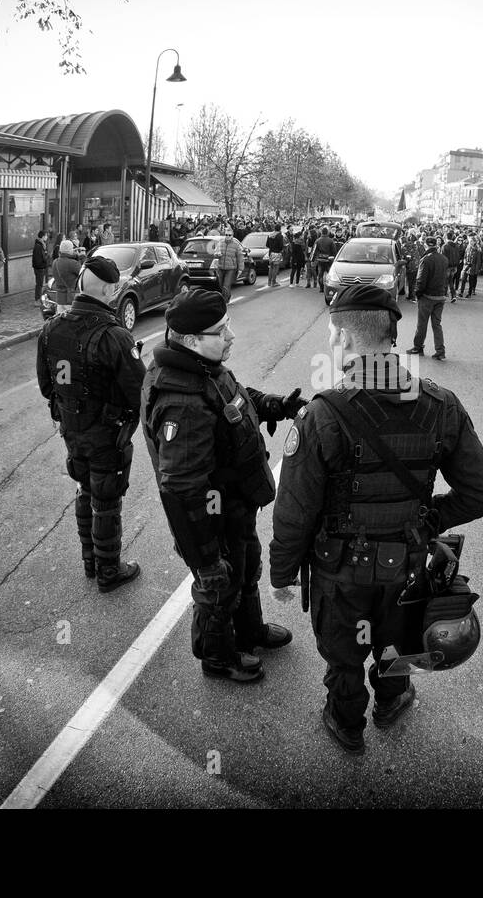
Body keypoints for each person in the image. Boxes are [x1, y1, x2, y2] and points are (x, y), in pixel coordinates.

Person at [269, 285, 483, 753]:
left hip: (339, 572)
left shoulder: (322, 415)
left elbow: (294, 511)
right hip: (408, 564)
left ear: (347, 339)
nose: (332, 345)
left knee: (342, 653)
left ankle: (346, 720)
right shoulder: (441, 404)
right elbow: (482, 493)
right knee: (397, 645)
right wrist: (430, 520)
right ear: (391, 336)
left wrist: (281, 574)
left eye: (334, 336)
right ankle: (392, 701)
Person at [142, 288, 305, 682]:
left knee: (247, 568)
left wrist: (272, 404)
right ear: (192, 340)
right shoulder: (180, 398)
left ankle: (249, 632)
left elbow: (232, 397)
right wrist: (205, 558)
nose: (230, 336)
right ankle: (218, 657)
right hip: (210, 518)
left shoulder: (200, 368)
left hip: (235, 504)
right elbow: (180, 488)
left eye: (227, 325)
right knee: (220, 587)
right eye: (220, 331)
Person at [38, 257, 145, 591]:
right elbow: (138, 392)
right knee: (107, 500)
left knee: (85, 489)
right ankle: (109, 572)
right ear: (111, 289)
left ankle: (90, 561)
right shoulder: (115, 336)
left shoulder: (51, 328)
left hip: (71, 429)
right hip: (107, 434)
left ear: (82, 282)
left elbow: (46, 386)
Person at [408, 236, 447, 360]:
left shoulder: (425, 259)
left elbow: (420, 280)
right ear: (436, 245)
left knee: (422, 324)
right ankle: (440, 351)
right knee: (437, 325)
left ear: (426, 245)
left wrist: (417, 293)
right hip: (440, 295)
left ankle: (418, 347)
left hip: (427, 296)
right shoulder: (443, 259)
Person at [51, 239, 81, 315]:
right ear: (69, 250)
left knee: (61, 322)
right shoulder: (72, 263)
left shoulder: (55, 262)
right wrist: (81, 257)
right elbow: (83, 273)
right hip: (70, 298)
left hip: (60, 298)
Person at [216, 230, 243, 298]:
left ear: (232, 236)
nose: (227, 236)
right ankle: (228, 295)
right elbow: (215, 253)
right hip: (221, 267)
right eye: (226, 235)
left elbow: (240, 257)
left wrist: (240, 269)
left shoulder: (236, 245)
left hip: (231, 268)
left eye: (229, 235)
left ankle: (225, 300)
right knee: (220, 285)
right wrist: (217, 255)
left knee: (226, 285)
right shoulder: (220, 243)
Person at [311, 227, 336, 292]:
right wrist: (335, 259)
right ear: (327, 233)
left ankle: (321, 288)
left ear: (321, 232)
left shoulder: (318, 240)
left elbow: (314, 251)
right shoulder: (331, 240)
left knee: (320, 275)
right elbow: (334, 251)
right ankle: (330, 288)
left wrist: (312, 260)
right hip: (329, 260)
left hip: (320, 260)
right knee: (330, 275)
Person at [32, 231, 50, 305]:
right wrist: (46, 258)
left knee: (40, 284)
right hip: (39, 268)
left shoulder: (42, 244)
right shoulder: (38, 246)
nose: (47, 237)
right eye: (46, 236)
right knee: (39, 284)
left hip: (40, 267)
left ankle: (38, 299)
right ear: (43, 236)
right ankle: (37, 300)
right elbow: (39, 259)